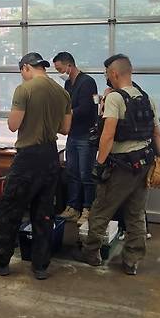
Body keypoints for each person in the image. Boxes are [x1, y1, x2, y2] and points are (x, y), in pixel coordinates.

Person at [0, 52, 71, 280]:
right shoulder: (62, 92)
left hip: (28, 158)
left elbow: (13, 125)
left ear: (26, 68)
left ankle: (0, 261)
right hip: (51, 156)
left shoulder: (25, 89)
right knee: (44, 214)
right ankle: (40, 266)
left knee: (11, 210)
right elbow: (65, 129)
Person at [73, 54, 160, 276]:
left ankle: (91, 253)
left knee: (101, 210)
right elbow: (157, 133)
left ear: (113, 73)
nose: (106, 78)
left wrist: (99, 164)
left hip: (120, 167)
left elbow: (107, 136)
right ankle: (132, 261)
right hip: (144, 164)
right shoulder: (146, 97)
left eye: (106, 74)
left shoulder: (115, 99)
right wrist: (157, 160)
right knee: (136, 213)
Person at [53, 52, 99, 226]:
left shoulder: (87, 82)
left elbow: (87, 108)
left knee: (85, 174)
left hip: (86, 135)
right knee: (71, 172)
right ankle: (73, 207)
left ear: (69, 66)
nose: (59, 72)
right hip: (72, 135)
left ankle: (88, 208)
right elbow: (66, 104)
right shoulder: (67, 83)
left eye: (59, 69)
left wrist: (67, 114)